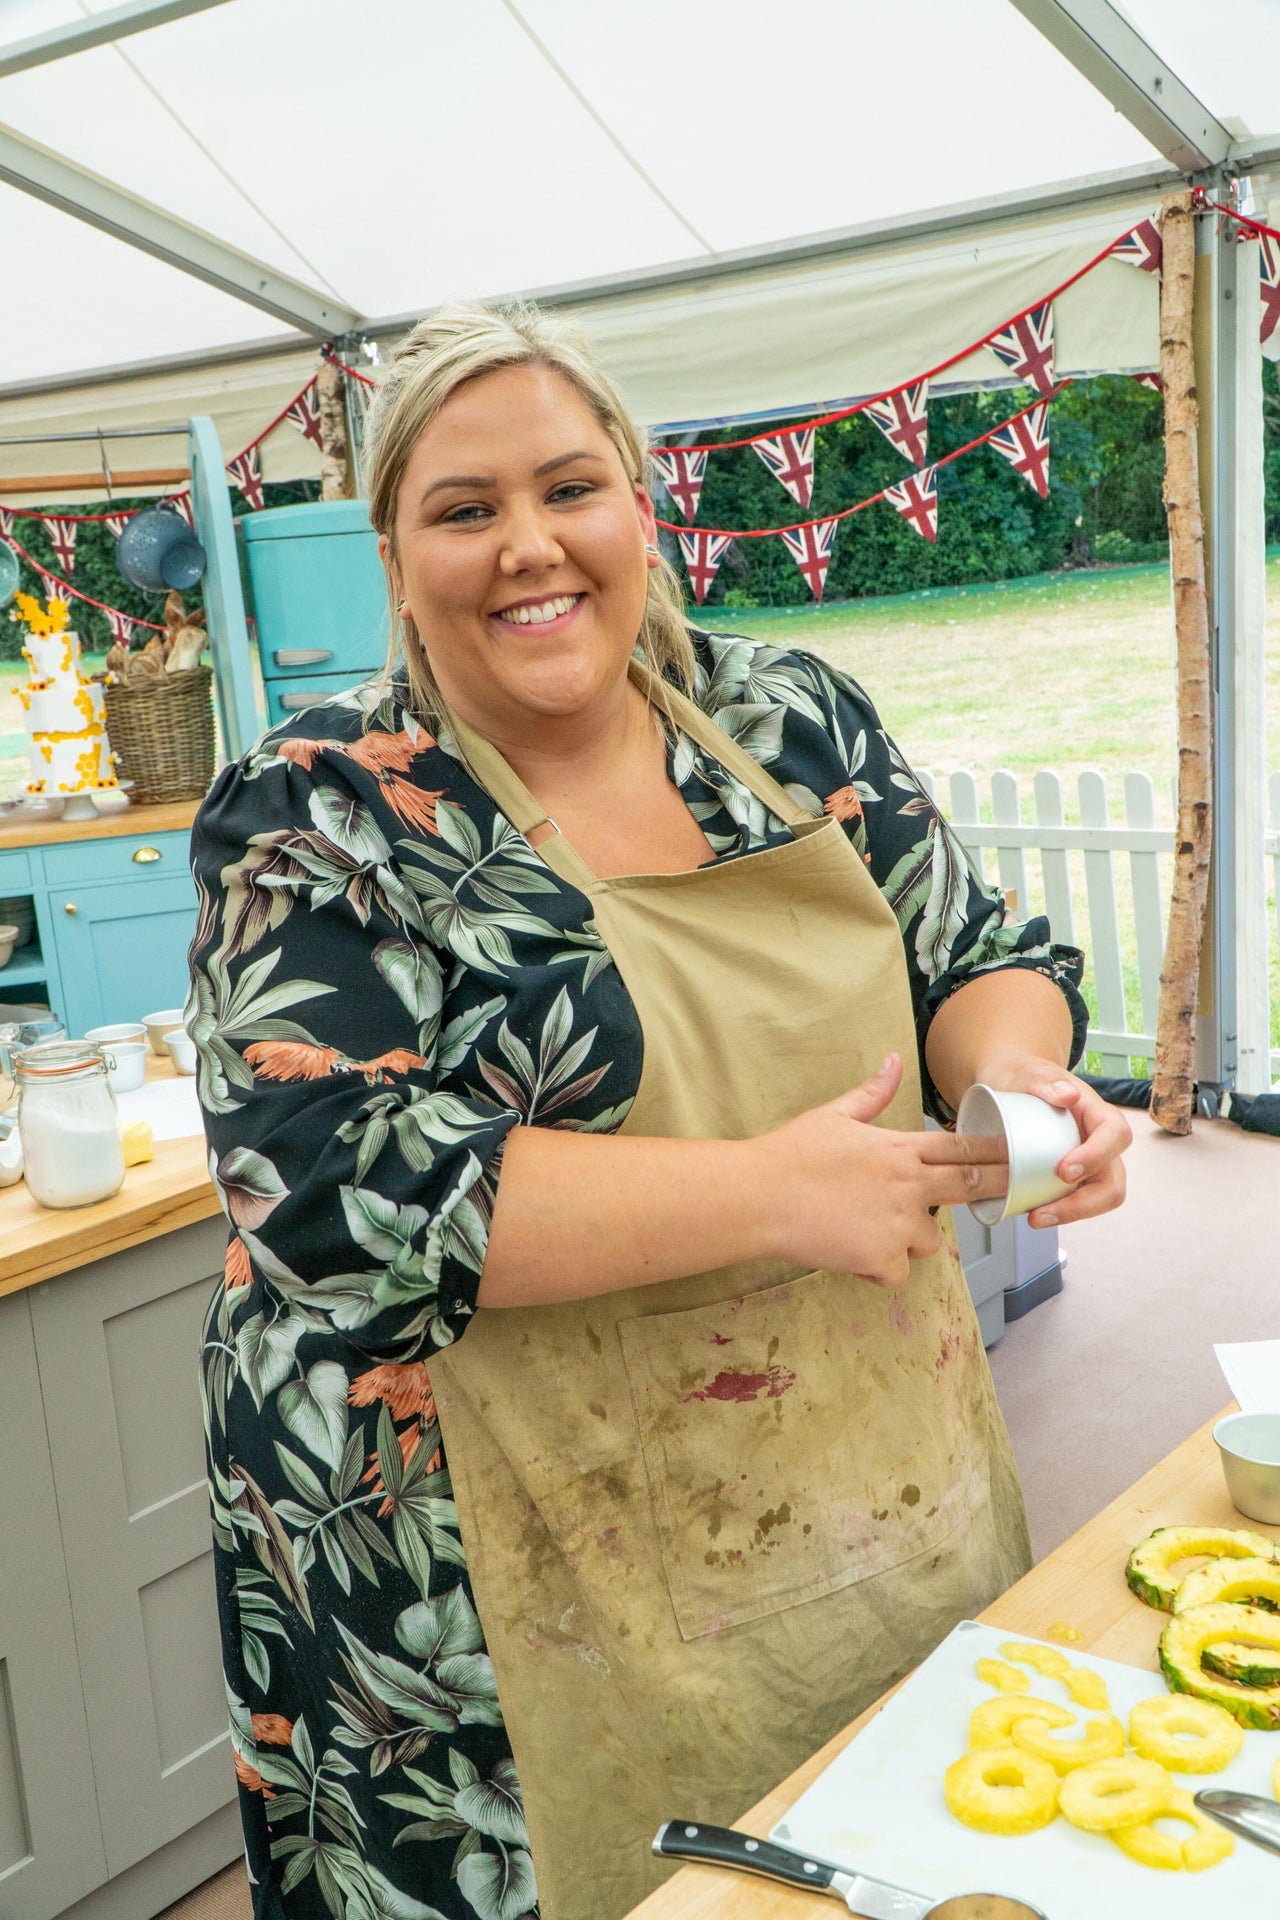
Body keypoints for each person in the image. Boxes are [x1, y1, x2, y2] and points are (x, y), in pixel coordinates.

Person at [191, 302, 1130, 1920]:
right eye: (464, 510)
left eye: (569, 489)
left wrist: (1020, 1076)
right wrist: (769, 1194)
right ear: (394, 554)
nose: (528, 548)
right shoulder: (320, 809)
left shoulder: (789, 719)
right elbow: (325, 1187)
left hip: (845, 1476)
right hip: (469, 1578)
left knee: (892, 1840)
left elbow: (978, 953)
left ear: (640, 499)